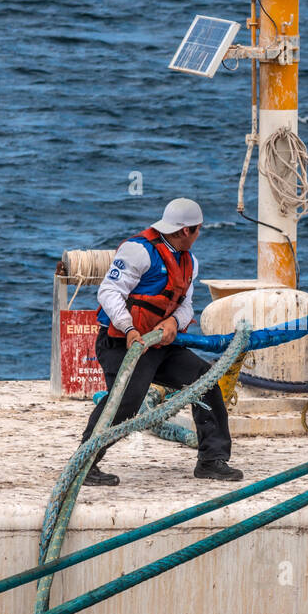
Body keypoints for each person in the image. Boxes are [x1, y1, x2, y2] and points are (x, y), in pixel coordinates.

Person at [80, 197, 243, 485]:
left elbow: (186, 305)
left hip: (160, 346)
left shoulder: (190, 262)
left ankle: (212, 459)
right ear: (186, 231)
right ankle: (84, 463)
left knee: (204, 381)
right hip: (122, 344)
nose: (197, 235)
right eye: (197, 230)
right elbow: (109, 292)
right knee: (126, 401)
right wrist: (129, 328)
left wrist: (173, 323)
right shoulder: (138, 252)